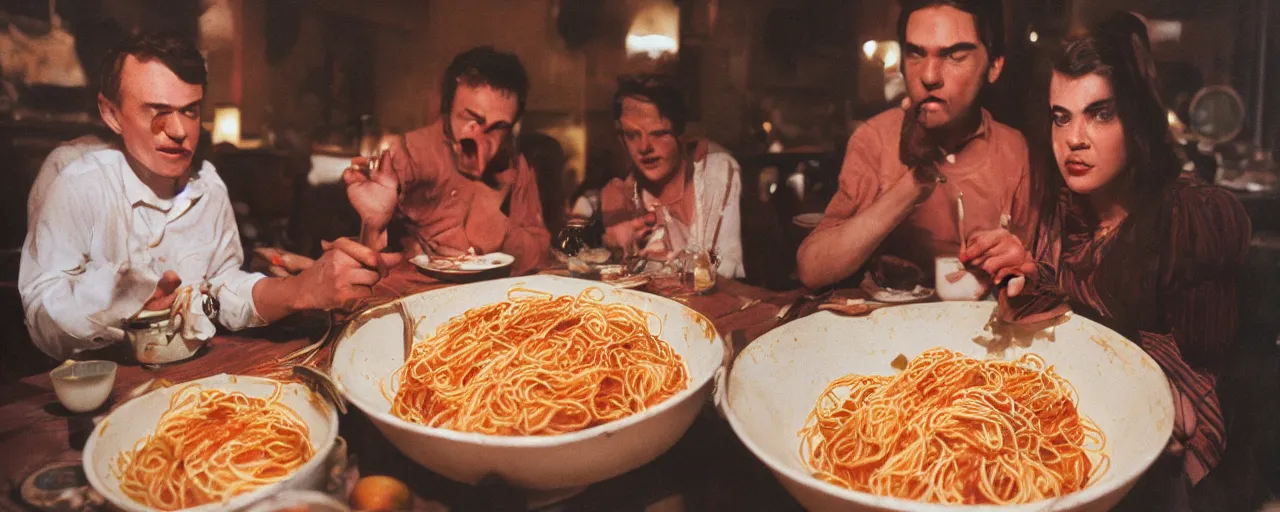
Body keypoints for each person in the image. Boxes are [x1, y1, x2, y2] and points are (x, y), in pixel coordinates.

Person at [992, 15, 1249, 508]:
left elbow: (1207, 374)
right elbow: (1061, 323)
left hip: (1172, 457)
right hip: (1079, 421)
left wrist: (1155, 383)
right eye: (1061, 116)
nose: (1075, 139)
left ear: (1136, 118)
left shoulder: (1188, 219)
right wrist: (1026, 274)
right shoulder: (1061, 209)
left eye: (1100, 114)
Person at [19, 32, 395, 360]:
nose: (180, 131)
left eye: (190, 111)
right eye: (159, 112)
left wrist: (300, 289)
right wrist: (118, 301)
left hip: (191, 374)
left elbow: (222, 292)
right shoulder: (78, 183)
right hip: (103, 385)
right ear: (112, 113)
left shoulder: (208, 186)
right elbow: (40, 324)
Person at [796, 0, 1033, 290]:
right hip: (893, 327)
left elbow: (1039, 270)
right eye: (915, 54)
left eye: (955, 56)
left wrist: (1019, 262)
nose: (929, 76)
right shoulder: (876, 138)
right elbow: (813, 269)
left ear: (994, 65)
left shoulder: (1015, 149)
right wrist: (914, 182)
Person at [343, 46, 550, 279]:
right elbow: (358, 259)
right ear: (447, 108)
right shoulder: (409, 153)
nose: (481, 137)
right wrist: (376, 227)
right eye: (472, 119)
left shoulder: (515, 165)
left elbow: (539, 253)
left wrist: (504, 233)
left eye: (499, 127)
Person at [598, 74, 745, 279]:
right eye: (633, 135)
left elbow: (724, 268)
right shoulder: (625, 196)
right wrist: (618, 252)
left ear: (680, 133)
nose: (644, 147)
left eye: (658, 133)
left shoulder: (716, 172)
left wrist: (654, 262)